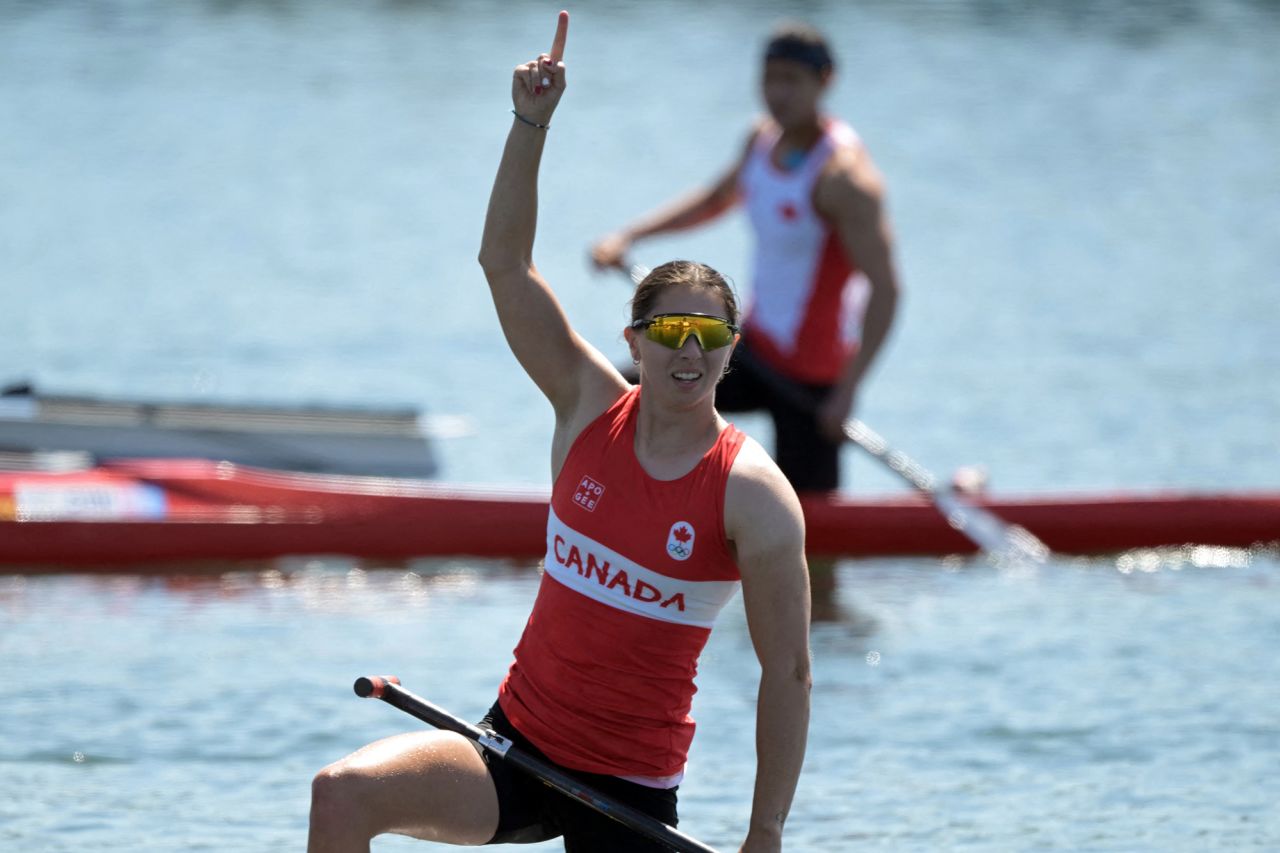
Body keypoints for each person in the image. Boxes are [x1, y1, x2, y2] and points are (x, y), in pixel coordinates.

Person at [307, 12, 812, 853]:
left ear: (729, 354)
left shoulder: (753, 495)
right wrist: (530, 123)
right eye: (670, 334)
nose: (688, 354)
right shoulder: (585, 403)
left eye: (710, 339)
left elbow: (788, 674)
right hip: (511, 747)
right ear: (634, 342)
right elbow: (504, 265)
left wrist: (765, 832)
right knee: (341, 793)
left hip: (628, 789)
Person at [592, 21, 901, 494]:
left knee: (805, 532)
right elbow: (715, 199)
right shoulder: (762, 141)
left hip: (812, 380)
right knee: (615, 388)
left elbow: (886, 290)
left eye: (791, 81)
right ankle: (621, 503)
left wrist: (847, 391)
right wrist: (629, 235)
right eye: (769, 78)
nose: (777, 94)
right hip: (753, 350)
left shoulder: (846, 180)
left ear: (825, 82)